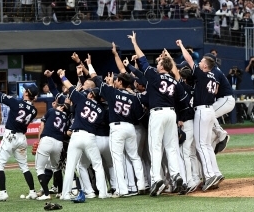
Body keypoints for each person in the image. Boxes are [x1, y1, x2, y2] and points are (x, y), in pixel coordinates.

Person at [127, 31, 190, 197]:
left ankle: (156, 179)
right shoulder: (175, 82)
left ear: (162, 67)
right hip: (171, 114)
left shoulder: (154, 76)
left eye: (160, 62)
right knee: (172, 148)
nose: (157, 64)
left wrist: (134, 42)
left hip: (158, 113)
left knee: (155, 147)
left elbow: (141, 59)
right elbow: (183, 102)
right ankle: (177, 176)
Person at [86, 54, 146, 198]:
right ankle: (142, 185)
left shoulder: (112, 92)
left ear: (119, 81)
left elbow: (95, 78)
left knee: (118, 158)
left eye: (117, 79)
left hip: (117, 128)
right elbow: (140, 117)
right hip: (131, 128)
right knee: (135, 157)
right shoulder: (133, 97)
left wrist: (89, 64)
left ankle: (122, 189)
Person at [176, 40, 221, 191]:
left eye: (201, 61)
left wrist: (182, 45)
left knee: (202, 145)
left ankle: (209, 175)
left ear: (205, 66)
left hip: (202, 110)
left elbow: (188, 59)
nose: (199, 61)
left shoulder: (202, 75)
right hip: (211, 110)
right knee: (207, 145)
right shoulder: (213, 77)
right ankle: (216, 172)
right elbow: (214, 92)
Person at [58, 69, 109, 200]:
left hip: (76, 135)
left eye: (90, 93)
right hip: (90, 137)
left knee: (70, 166)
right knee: (97, 165)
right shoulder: (102, 111)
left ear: (91, 95)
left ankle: (65, 194)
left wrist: (63, 77)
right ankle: (103, 193)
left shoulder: (81, 99)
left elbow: (70, 87)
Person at [0, 74, 39, 202]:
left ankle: (3, 193)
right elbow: (29, 104)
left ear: (27, 93)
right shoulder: (34, 111)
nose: (23, 91)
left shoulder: (16, 103)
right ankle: (32, 192)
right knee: (25, 167)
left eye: (25, 90)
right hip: (22, 139)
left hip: (10, 136)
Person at [35, 94, 69, 200]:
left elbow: (42, 125)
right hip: (58, 143)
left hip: (47, 140)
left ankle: (46, 194)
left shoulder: (50, 111)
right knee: (56, 168)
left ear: (62, 106)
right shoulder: (67, 118)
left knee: (40, 168)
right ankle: (60, 192)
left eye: (59, 104)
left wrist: (39, 140)